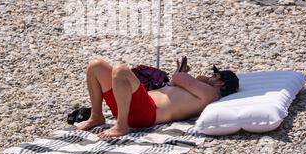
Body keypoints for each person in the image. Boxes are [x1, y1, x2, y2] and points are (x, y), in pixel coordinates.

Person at [76, 58, 239, 138]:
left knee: (121, 70)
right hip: (132, 106)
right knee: (95, 66)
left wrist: (186, 75)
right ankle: (97, 116)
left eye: (215, 75)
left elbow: (178, 78)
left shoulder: (211, 94)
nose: (210, 76)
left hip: (145, 113)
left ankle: (122, 126)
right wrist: (181, 76)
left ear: (221, 84)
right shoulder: (201, 90)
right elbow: (178, 81)